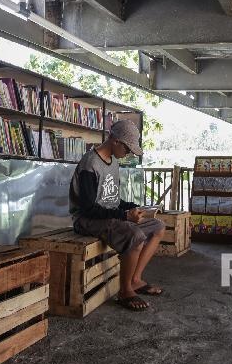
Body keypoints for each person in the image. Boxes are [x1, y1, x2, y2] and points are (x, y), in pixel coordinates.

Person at [69, 119, 165, 311]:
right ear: (115, 140)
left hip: (108, 216)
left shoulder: (112, 162)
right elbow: (88, 208)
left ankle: (135, 279)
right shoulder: (90, 163)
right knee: (135, 236)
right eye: (127, 149)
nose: (128, 153)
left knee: (158, 227)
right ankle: (125, 291)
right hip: (87, 220)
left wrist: (135, 207)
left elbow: (111, 199)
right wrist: (125, 216)